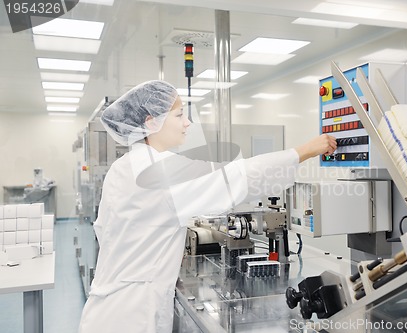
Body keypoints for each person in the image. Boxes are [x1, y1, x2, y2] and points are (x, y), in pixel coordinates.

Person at [78, 80, 337, 333]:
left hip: (106, 306)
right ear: (151, 122)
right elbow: (237, 176)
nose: (187, 122)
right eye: (179, 115)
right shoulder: (161, 171)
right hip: (134, 313)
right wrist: (303, 151)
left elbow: (111, 232)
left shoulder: (123, 166)